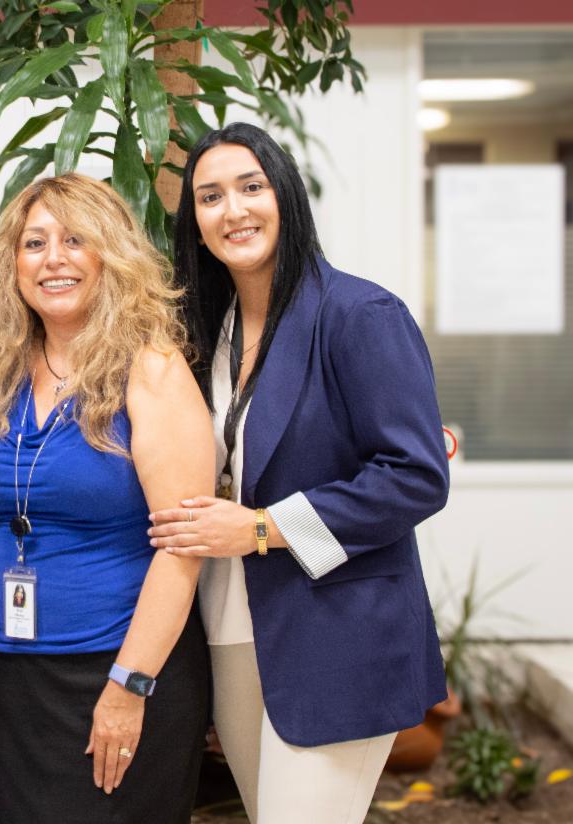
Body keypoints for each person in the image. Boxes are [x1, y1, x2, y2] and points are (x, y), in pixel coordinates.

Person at [148, 122, 450, 823]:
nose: (233, 210)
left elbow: (415, 475)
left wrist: (262, 528)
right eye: (210, 196)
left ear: (285, 195)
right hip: (230, 627)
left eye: (250, 187)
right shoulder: (205, 335)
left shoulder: (359, 313)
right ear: (195, 222)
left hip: (339, 635)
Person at [0, 173, 214, 823]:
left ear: (112, 254)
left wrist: (129, 686)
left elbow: (184, 548)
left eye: (76, 240)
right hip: (18, 674)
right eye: (35, 243)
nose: (54, 259)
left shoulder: (151, 368)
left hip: (122, 667)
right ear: (12, 263)